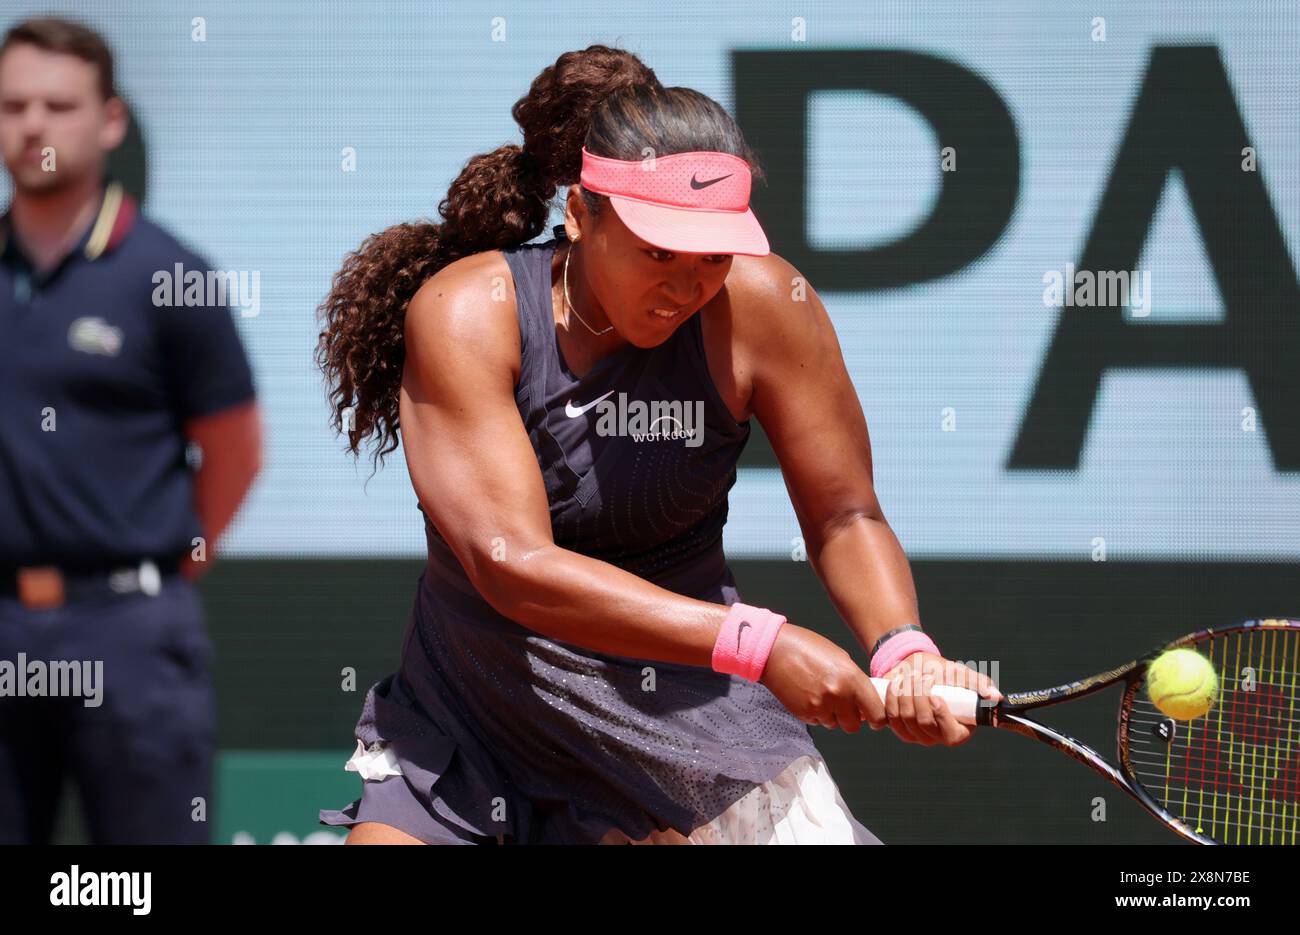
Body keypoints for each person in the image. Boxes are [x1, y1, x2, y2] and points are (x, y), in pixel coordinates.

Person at [317, 45, 1000, 845]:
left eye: (712, 256)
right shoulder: (469, 312)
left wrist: (902, 649)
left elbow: (845, 514)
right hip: (476, 713)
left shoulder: (765, 306)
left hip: (683, 712)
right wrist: (760, 642)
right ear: (580, 213)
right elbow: (515, 566)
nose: (685, 283)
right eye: (656, 251)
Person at [0, 17, 262, 844]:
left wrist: (169, 568)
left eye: (57, 104)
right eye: (12, 106)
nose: (33, 124)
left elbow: (234, 450)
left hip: (132, 634)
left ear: (110, 120)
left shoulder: (170, 275)